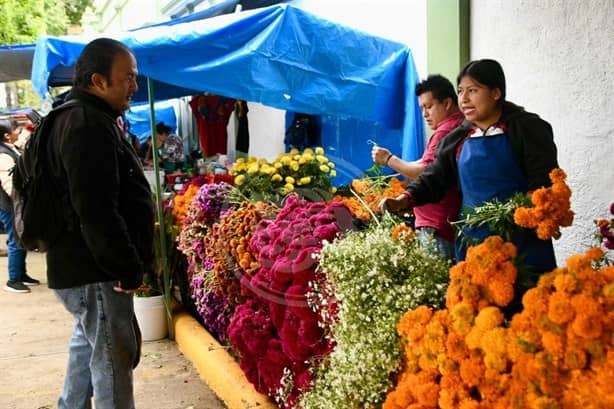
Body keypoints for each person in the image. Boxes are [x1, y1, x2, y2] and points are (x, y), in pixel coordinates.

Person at [380, 59, 558, 293]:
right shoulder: (459, 137)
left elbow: (544, 180)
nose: (464, 99)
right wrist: (405, 199)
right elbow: (435, 176)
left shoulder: (526, 129)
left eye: (473, 91)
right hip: (473, 242)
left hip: (522, 240)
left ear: (496, 92)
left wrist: (529, 207)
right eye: (461, 91)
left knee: (527, 308)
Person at [44, 38, 154, 409]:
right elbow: (96, 210)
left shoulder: (76, 116)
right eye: (128, 78)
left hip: (81, 270)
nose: (134, 87)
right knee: (112, 359)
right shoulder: (86, 124)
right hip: (95, 270)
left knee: (89, 343)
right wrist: (126, 268)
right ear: (98, 80)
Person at [372, 75, 464, 260]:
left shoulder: (446, 131)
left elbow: (424, 171)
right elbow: (426, 164)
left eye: (429, 107)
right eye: (422, 108)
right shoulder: (456, 125)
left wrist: (389, 159)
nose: (424, 115)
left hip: (437, 223)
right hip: (442, 222)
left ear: (447, 103)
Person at [0, 118, 39, 292]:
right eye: (15, 130)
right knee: (16, 239)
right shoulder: (3, 155)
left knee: (21, 237)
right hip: (9, 205)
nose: (18, 132)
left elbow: (24, 143)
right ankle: (13, 279)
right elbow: (7, 181)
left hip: (14, 204)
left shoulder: (9, 149)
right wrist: (18, 199)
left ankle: (21, 274)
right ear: (7, 136)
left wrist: (32, 128)